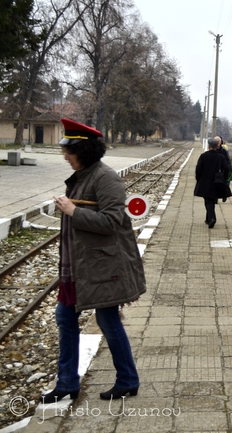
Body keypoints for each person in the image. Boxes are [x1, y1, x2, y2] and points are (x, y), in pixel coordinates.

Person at [42, 118, 146, 403]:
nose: (65, 156)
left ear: (84, 151)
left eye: (69, 151)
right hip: (78, 266)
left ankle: (127, 379)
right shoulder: (85, 175)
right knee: (66, 317)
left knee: (107, 320)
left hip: (100, 267)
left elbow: (112, 221)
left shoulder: (105, 177)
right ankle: (67, 383)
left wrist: (73, 211)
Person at [194, 137, 232, 228]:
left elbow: (198, 169)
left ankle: (212, 218)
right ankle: (208, 219)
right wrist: (224, 178)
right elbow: (227, 169)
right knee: (211, 200)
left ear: (209, 146)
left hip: (205, 182)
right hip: (217, 182)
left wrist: (198, 179)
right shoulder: (221, 157)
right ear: (216, 146)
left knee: (208, 201)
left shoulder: (203, 156)